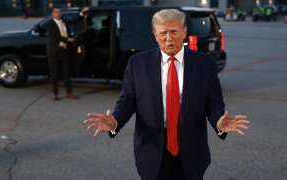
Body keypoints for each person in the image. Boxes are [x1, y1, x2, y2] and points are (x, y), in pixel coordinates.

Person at [84, 9, 250, 180]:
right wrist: (115, 122)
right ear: (155, 35)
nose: (169, 38)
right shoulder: (137, 64)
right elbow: (127, 101)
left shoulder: (204, 64)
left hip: (191, 151)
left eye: (174, 32)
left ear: (184, 32)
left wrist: (219, 123)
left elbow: (213, 103)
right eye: (163, 33)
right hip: (151, 151)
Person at [46, 6, 89, 101]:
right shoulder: (50, 24)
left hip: (64, 51)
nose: (58, 14)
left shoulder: (64, 20)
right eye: (56, 12)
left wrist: (82, 13)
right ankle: (55, 94)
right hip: (54, 52)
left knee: (66, 73)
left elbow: (74, 21)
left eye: (59, 12)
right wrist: (68, 39)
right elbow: (56, 37)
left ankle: (69, 93)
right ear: (52, 13)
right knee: (54, 74)